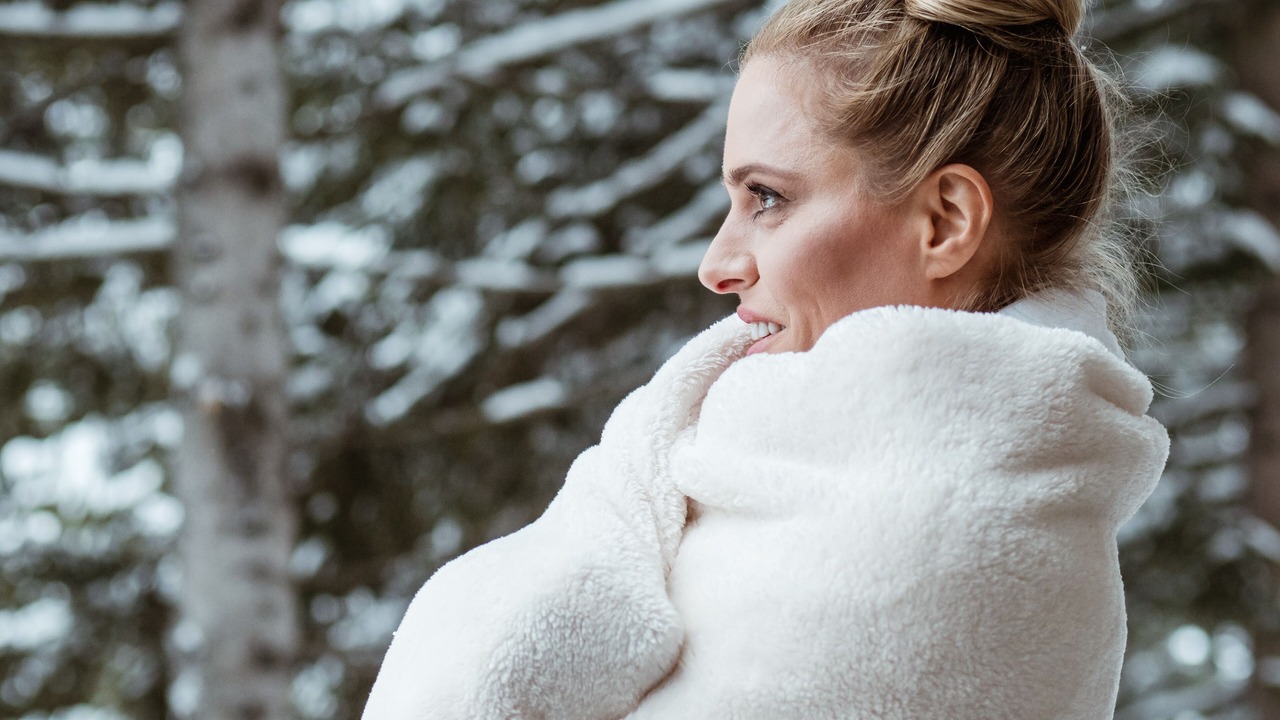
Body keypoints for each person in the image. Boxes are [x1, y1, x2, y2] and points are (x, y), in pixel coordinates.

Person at [363, 0, 1171, 717]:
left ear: (945, 221)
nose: (717, 264)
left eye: (768, 199)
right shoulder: (808, 477)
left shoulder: (926, 550)